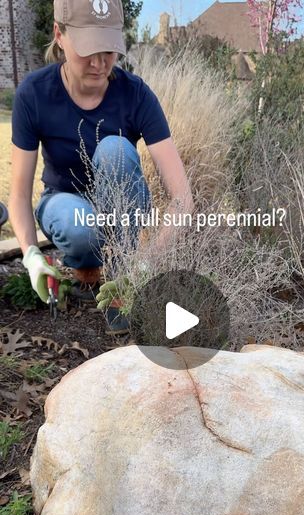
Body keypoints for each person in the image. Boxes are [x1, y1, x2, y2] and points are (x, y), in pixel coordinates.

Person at [9, 0, 193, 331]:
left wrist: (146, 266)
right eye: (87, 49)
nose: (99, 63)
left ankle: (124, 278)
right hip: (64, 201)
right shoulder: (34, 94)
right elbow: (19, 195)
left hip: (122, 209)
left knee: (115, 150)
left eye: (108, 49)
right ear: (60, 35)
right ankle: (86, 269)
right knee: (80, 228)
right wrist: (32, 257)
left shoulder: (136, 95)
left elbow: (182, 198)